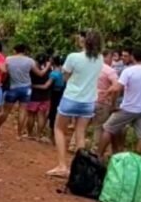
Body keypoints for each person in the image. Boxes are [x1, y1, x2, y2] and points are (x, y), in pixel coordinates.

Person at [47, 31, 103, 178]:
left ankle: (62, 165)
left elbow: (65, 77)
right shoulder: (100, 58)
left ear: (84, 41)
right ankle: (79, 169)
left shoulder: (73, 57)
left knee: (59, 129)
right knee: (80, 134)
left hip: (71, 98)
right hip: (88, 101)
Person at [0, 44, 50, 139]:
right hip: (26, 88)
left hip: (13, 87)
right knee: (23, 111)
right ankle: (19, 134)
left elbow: (4, 72)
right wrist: (47, 66)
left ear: (14, 50)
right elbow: (40, 74)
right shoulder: (30, 61)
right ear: (25, 50)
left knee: (5, 111)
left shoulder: (8, 59)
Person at [91, 50, 119, 146]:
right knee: (98, 127)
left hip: (88, 99)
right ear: (105, 57)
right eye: (111, 57)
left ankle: (74, 145)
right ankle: (94, 149)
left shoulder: (91, 67)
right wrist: (113, 103)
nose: (112, 60)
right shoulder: (110, 70)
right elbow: (116, 87)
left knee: (82, 124)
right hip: (103, 102)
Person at [27, 54, 54, 142]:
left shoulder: (32, 69)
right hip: (45, 96)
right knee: (41, 115)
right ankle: (38, 135)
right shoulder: (50, 70)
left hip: (34, 95)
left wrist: (33, 85)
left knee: (31, 115)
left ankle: (29, 134)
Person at [48, 55, 65, 137]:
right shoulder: (62, 71)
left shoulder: (54, 73)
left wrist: (35, 86)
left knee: (52, 112)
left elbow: (47, 85)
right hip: (61, 94)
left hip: (54, 94)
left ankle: (52, 133)